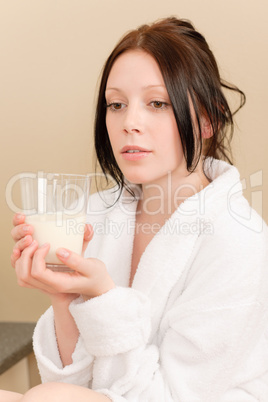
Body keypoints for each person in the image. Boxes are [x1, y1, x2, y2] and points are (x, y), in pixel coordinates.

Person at [2, 16, 268, 402]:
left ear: (208, 120)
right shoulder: (96, 214)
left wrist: (101, 298)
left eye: (157, 103)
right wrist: (65, 299)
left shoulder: (239, 240)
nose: (130, 123)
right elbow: (74, 383)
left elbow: (173, 397)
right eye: (116, 104)